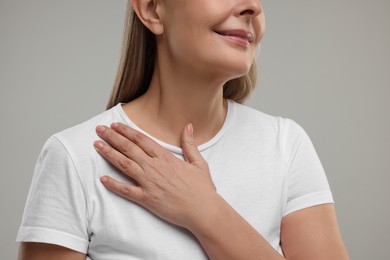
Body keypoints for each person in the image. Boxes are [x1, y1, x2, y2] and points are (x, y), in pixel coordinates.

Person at [17, 0, 349, 259]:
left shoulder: (285, 145)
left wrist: (206, 212)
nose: (254, 7)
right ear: (152, 10)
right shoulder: (75, 158)